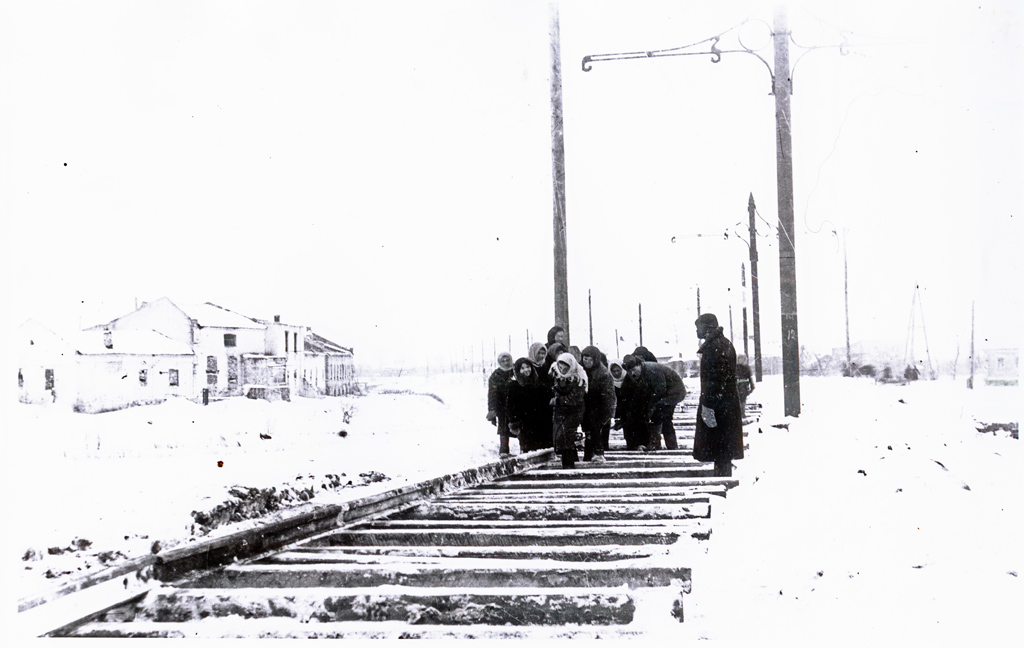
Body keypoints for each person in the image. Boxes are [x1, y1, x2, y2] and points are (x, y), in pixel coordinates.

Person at [692, 313, 744, 477]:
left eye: (697, 327)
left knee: (720, 449)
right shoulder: (724, 345)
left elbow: (713, 381)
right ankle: (723, 480)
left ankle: (723, 486)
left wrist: (708, 407)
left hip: (718, 406)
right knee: (723, 449)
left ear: (707, 328)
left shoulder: (714, 348)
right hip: (725, 405)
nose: (696, 331)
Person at [622, 354, 686, 451]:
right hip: (665, 393)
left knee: (663, 416)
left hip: (674, 392)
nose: (632, 373)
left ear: (639, 365)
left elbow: (660, 390)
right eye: (630, 371)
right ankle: (659, 444)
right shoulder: (642, 373)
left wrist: (651, 407)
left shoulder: (651, 370)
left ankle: (669, 446)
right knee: (658, 415)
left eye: (634, 370)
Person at [549, 352, 587, 468]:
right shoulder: (555, 374)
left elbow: (576, 398)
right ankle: (569, 461)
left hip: (574, 412)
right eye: (561, 367)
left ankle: (569, 465)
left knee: (565, 436)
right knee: (560, 437)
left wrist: (559, 400)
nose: (562, 370)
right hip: (560, 412)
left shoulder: (579, 378)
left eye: (565, 368)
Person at [507, 357, 552, 453]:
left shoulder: (538, 383)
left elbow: (547, 401)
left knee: (545, 449)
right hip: (526, 425)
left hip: (542, 423)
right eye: (522, 368)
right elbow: (511, 406)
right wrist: (514, 422)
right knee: (529, 450)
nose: (526, 370)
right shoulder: (514, 386)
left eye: (528, 367)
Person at [580, 345, 616, 462]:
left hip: (599, 406)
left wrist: (607, 414)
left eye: (589, 359)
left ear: (595, 359)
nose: (587, 362)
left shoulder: (603, 373)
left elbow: (609, 396)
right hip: (585, 405)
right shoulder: (580, 370)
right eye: (585, 359)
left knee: (596, 430)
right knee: (588, 433)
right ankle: (587, 456)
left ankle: (598, 453)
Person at [486, 352, 515, 457]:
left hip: (515, 405)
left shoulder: (515, 371)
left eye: (507, 360)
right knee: (503, 430)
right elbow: (492, 394)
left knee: (519, 428)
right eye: (503, 361)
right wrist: (492, 409)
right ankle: (504, 452)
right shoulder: (495, 376)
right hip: (502, 407)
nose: (506, 363)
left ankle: (524, 451)